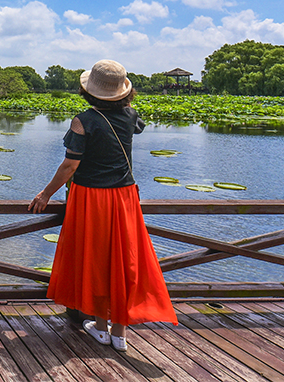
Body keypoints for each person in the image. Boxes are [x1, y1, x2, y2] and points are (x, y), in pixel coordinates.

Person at [27, 59, 177, 352]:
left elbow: (71, 165)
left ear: (89, 91)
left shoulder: (83, 121)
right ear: (123, 91)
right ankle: (118, 332)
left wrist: (45, 194)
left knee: (96, 259)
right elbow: (133, 128)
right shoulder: (131, 116)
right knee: (123, 260)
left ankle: (99, 325)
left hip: (91, 198)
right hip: (124, 197)